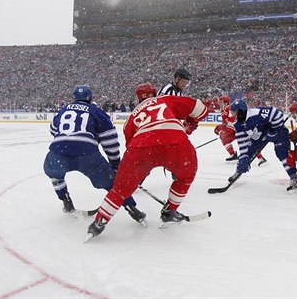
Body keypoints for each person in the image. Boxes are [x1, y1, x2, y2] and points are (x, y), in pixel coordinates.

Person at [86, 82, 210, 239]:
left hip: (140, 148)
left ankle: (99, 222)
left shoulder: (130, 119)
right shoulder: (165, 99)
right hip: (175, 141)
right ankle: (169, 211)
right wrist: (191, 123)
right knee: (186, 176)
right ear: (154, 93)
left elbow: (130, 144)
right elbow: (201, 108)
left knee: (119, 189)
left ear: (137, 99)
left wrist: (135, 172)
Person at [43, 85, 145, 222]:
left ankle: (65, 198)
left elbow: (53, 129)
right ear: (90, 98)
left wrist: (66, 141)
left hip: (59, 151)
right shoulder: (96, 111)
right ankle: (131, 208)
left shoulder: (64, 110)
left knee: (54, 173)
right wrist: (115, 164)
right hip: (87, 154)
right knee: (112, 184)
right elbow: (110, 140)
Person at [229, 99, 297, 185]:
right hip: (260, 136)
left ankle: (293, 176)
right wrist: (243, 156)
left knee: (282, 153)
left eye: (234, 112)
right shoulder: (239, 125)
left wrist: (273, 131)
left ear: (240, 111)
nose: (233, 115)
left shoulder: (256, 113)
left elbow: (277, 113)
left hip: (278, 132)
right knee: (247, 154)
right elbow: (242, 143)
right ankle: (239, 171)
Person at [214, 96, 267, 165]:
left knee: (247, 143)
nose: (219, 103)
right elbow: (225, 122)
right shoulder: (223, 109)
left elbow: (233, 120)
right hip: (235, 129)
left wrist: (226, 130)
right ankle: (233, 155)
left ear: (225, 102)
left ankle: (261, 158)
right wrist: (219, 127)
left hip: (239, 128)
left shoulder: (228, 109)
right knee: (224, 139)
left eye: (221, 102)